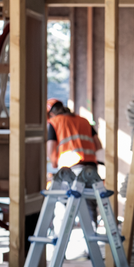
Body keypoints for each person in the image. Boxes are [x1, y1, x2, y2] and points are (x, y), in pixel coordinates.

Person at [47, 98, 103, 232]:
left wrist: (54, 164)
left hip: (71, 169)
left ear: (51, 113)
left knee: (64, 203)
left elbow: (51, 150)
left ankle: (60, 240)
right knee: (89, 203)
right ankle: (91, 243)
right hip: (91, 168)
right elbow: (98, 145)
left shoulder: (54, 122)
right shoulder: (83, 121)